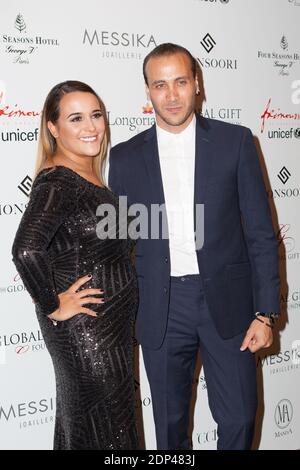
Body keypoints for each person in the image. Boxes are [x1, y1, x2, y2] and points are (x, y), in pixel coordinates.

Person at [109, 43, 280, 450]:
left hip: (230, 302)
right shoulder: (125, 156)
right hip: (162, 306)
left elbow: (260, 232)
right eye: (160, 85)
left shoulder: (235, 142)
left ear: (197, 84)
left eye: (180, 82)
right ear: (148, 92)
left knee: (239, 418)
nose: (171, 95)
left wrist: (266, 312)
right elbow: (118, 243)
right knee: (169, 429)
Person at [12, 81, 138, 450]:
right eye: (76, 118)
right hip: (88, 336)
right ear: (53, 128)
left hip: (108, 333)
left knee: (94, 428)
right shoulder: (58, 181)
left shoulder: (90, 176)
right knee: (107, 432)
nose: (91, 127)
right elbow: (25, 250)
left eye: (96, 115)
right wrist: (53, 305)